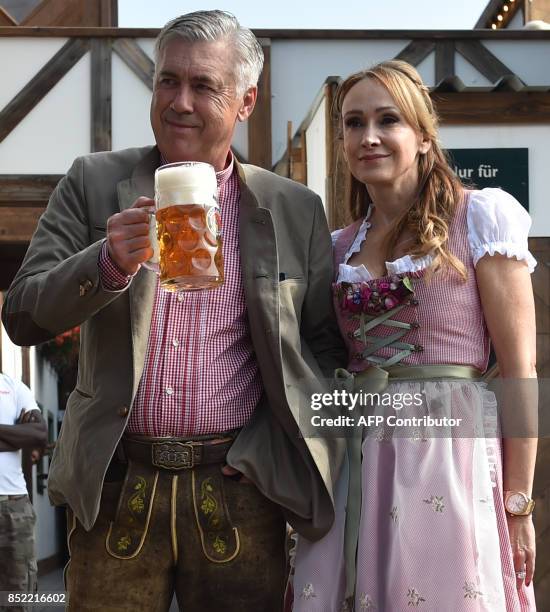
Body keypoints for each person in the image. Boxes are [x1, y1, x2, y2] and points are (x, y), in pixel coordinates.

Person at [2, 10, 346, 611]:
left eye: (203, 85)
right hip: (117, 484)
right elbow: (23, 314)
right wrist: (105, 262)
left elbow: (324, 350)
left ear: (245, 101)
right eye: (167, 80)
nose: (179, 101)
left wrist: (269, 451)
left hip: (239, 484)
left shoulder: (294, 207)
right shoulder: (91, 181)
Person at [291, 60, 537, 611]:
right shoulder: (335, 249)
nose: (369, 137)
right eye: (353, 124)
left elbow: (520, 372)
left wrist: (519, 506)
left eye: (388, 120)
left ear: (425, 137)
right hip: (356, 454)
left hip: (449, 454)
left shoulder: (481, 218)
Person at [0, 371, 47, 609]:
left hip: (14, 506)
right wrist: (17, 436)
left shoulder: (15, 387)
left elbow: (39, 432)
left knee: (17, 596)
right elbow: (28, 436)